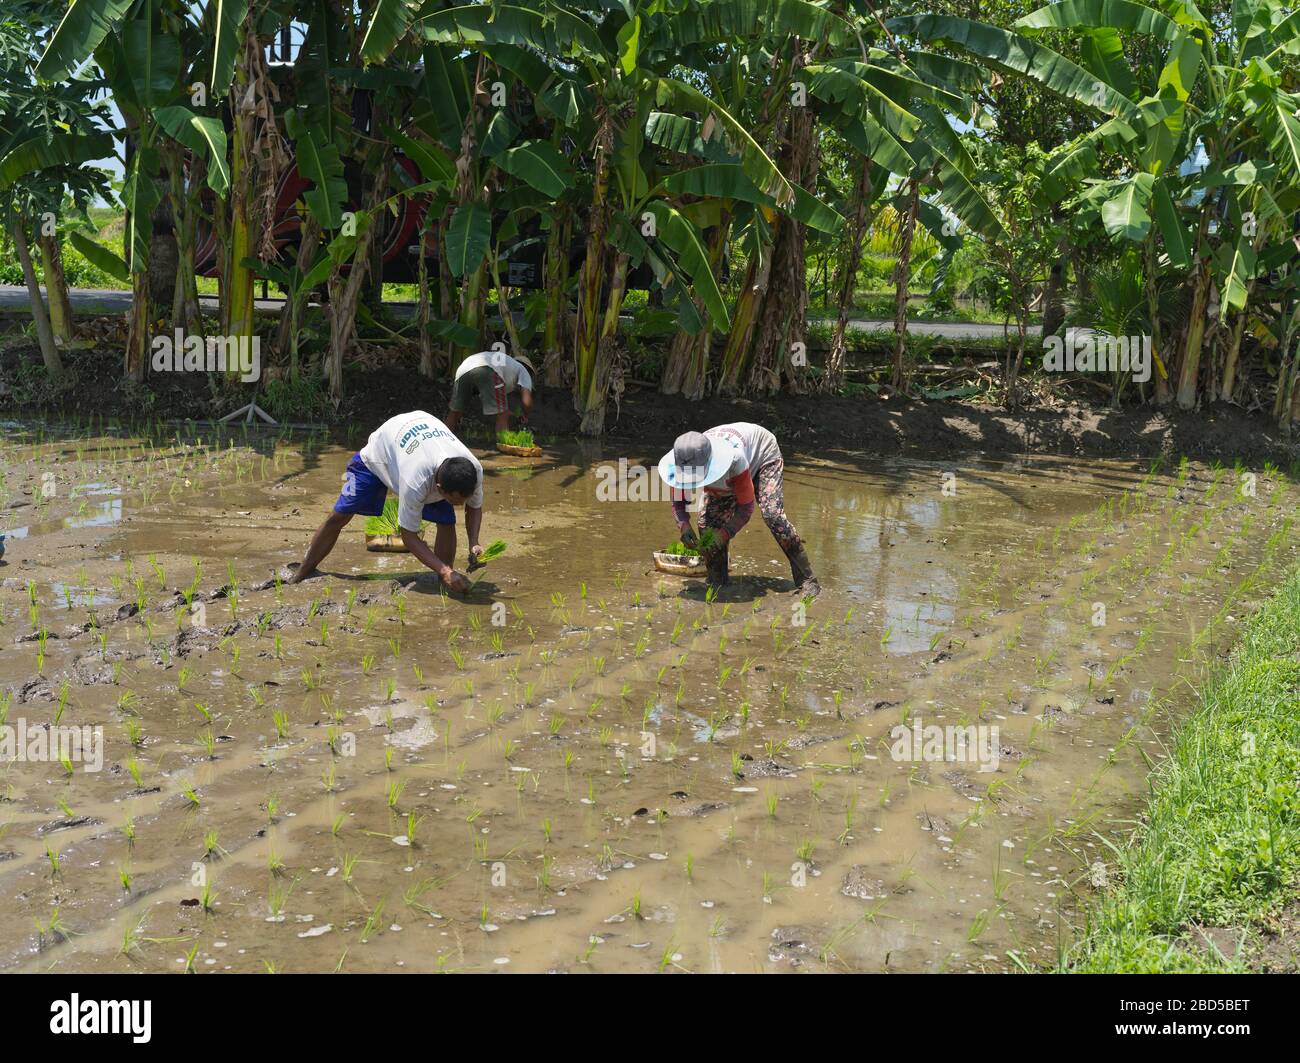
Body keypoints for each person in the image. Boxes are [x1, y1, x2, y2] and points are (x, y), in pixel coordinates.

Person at [289, 411, 485, 593]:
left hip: (420, 431)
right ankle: (303, 571)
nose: (460, 505)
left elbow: (475, 506)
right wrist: (443, 570)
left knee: (446, 520)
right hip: (379, 455)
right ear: (440, 489)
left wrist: (474, 543)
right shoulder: (415, 480)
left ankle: (446, 583)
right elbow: (409, 536)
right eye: (455, 501)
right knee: (340, 515)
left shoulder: (472, 470)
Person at [657, 422, 820, 597]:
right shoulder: (685, 461)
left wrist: (725, 534)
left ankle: (807, 580)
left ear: (709, 466)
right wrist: (684, 526)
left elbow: (746, 507)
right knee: (707, 525)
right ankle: (718, 582)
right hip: (730, 472)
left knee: (773, 516)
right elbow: (678, 502)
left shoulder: (734, 461)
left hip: (763, 456)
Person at [446, 350, 535, 437]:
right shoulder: (523, 370)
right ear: (528, 369)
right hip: (487, 369)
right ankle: (504, 445)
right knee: (502, 415)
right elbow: (526, 402)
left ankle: (445, 440)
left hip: (463, 369)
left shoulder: (507, 365)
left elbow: (487, 396)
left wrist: (508, 412)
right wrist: (525, 415)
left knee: (455, 412)